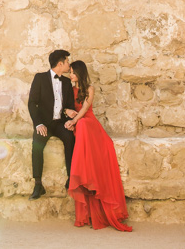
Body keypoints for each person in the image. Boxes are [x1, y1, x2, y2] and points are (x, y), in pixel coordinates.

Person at [66, 60, 133, 231]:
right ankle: (84, 174)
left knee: (82, 125)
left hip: (88, 122)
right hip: (79, 125)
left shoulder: (89, 88)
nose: (70, 74)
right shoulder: (70, 89)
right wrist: (67, 113)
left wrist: (74, 120)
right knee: (80, 127)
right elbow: (65, 107)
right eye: (70, 71)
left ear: (80, 73)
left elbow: (85, 108)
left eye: (73, 72)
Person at [26, 49, 78, 200]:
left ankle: (71, 178)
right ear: (60, 64)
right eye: (67, 62)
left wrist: (69, 116)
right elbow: (32, 103)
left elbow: (69, 105)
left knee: (70, 139)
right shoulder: (40, 78)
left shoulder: (67, 82)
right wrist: (38, 124)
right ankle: (38, 184)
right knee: (37, 144)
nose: (69, 65)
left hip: (60, 123)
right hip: (44, 124)